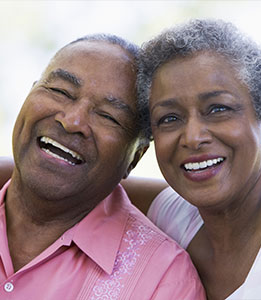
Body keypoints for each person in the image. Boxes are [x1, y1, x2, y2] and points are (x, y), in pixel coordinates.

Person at [0, 34, 205, 299]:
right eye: (60, 91)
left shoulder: (163, 280)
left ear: (135, 158)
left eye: (108, 116)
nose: (72, 121)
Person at [125, 19, 261, 299]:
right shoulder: (172, 215)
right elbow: (93, 184)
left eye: (218, 109)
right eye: (169, 118)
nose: (193, 137)